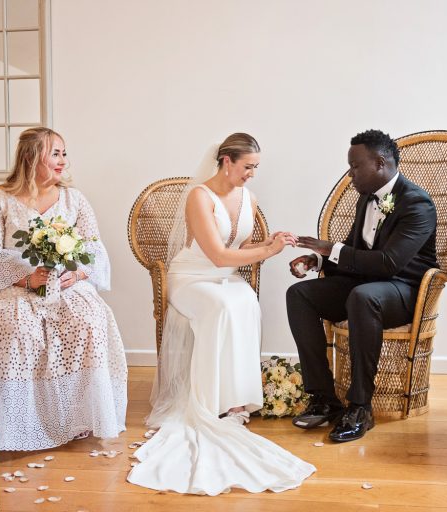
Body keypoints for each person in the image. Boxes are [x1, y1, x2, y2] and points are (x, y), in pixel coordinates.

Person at [127, 133, 315, 495]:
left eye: (256, 168)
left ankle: (235, 401)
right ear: (226, 161)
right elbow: (216, 255)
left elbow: (239, 246)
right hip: (192, 278)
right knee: (223, 306)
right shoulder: (200, 197)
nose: (252, 175)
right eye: (248, 167)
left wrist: (268, 242)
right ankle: (208, 402)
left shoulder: (250, 198)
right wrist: (268, 253)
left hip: (225, 277)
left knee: (245, 302)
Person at [0, 127, 127, 451]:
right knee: (15, 327)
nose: (62, 161)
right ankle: (21, 422)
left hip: (66, 284)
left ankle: (79, 416)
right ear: (32, 157)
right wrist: (25, 279)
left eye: (63, 153)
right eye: (54, 153)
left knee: (87, 319)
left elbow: (94, 249)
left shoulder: (74, 199)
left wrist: (78, 274)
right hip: (15, 287)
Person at [286, 129, 438, 443]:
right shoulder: (367, 199)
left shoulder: (417, 203)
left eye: (355, 166)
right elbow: (359, 252)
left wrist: (331, 248)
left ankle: (360, 406)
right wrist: (318, 261)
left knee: (362, 296)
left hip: (403, 292)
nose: (350, 174)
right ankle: (324, 398)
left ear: (380, 163)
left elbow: (389, 263)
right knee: (300, 294)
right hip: (365, 288)